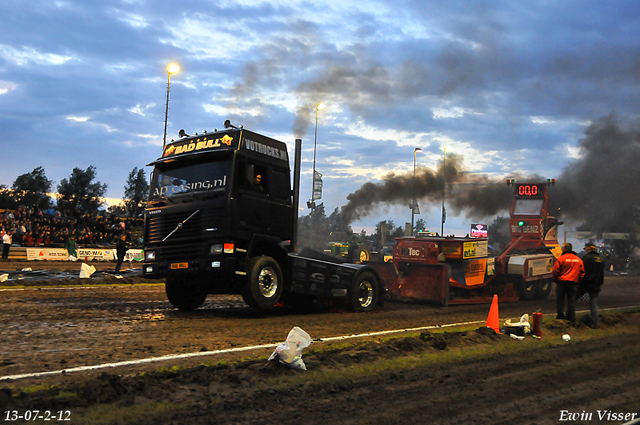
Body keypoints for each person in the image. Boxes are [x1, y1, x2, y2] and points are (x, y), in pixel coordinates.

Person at [553, 242, 585, 322]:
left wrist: (555, 279)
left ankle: (560, 316)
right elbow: (582, 273)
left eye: (562, 248)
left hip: (562, 282)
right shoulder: (578, 260)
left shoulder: (561, 259)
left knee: (560, 300)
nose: (561, 249)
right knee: (571, 301)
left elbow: (555, 271)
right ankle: (571, 317)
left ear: (565, 249)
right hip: (573, 282)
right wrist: (578, 281)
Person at [577, 242, 605, 328]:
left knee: (573, 299)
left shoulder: (586, 258)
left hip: (586, 283)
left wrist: (579, 282)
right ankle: (594, 323)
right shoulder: (601, 259)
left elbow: (582, 271)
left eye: (585, 249)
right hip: (596, 284)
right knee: (594, 303)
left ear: (588, 248)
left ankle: (569, 318)